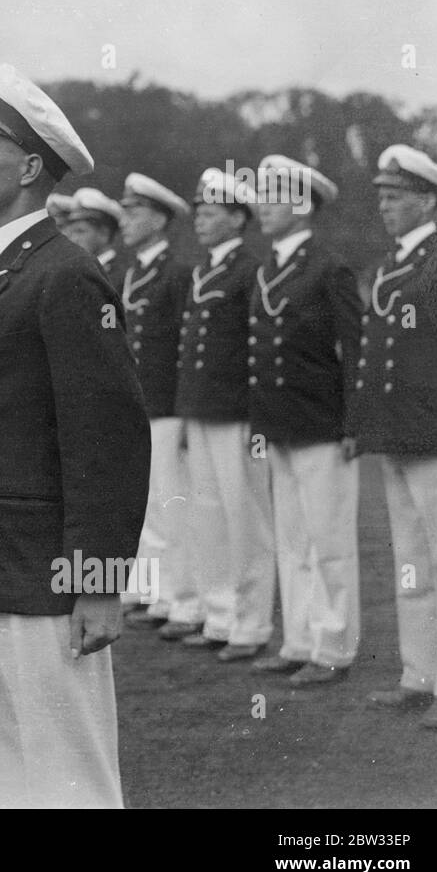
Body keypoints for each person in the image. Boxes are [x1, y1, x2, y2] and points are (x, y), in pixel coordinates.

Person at [0, 64, 150, 808]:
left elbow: (107, 440)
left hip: (42, 570)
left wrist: (100, 582)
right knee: (4, 766)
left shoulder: (64, 275)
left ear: (26, 167)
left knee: (67, 773)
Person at [350, 145, 437, 728]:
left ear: (428, 201)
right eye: (382, 197)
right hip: (398, 435)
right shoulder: (393, 263)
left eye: (395, 197)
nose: (385, 207)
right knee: (412, 564)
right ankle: (418, 674)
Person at [249, 155, 361, 686]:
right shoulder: (268, 265)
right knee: (292, 542)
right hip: (280, 421)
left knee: (328, 542)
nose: (260, 206)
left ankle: (334, 647)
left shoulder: (328, 266)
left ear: (300, 204)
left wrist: (354, 422)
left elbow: (355, 350)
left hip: (322, 421)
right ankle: (298, 640)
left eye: (271, 197)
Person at [174, 169, 274, 660]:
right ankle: (218, 615)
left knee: (246, 519)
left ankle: (251, 624)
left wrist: (257, 417)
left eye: (210, 212)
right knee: (208, 517)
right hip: (202, 409)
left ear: (238, 218)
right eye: (198, 211)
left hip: (237, 411)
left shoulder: (249, 268)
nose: (200, 219)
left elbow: (256, 348)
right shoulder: (204, 270)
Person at [118, 173, 194, 634]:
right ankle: (150, 591)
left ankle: (176, 597)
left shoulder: (177, 272)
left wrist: (183, 407)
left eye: (135, 211)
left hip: (166, 403)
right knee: (145, 508)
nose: (126, 220)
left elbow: (186, 344)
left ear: (160, 219)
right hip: (140, 405)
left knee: (171, 505)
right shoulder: (135, 273)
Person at [61, 186, 127, 287]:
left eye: (80, 231)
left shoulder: (121, 276)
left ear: (104, 234)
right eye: (72, 233)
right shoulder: (80, 273)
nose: (73, 239)